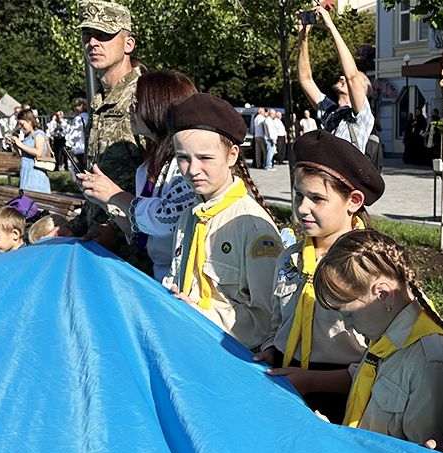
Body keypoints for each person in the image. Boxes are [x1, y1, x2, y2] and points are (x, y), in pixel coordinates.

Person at [256, 130, 383, 422]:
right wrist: (272, 351)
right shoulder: (290, 259)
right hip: (289, 385)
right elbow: (279, 323)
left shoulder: (372, 267)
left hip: (346, 397)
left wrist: (312, 381)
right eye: (298, 194)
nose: (302, 208)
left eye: (317, 198)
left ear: (353, 200)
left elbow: (384, 359)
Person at [313, 229, 443, 445]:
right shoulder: (383, 335)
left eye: (348, 313)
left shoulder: (430, 363)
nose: (347, 325)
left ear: (382, 294)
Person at [163, 93, 283, 349]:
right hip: (188, 344)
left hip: (230, 356)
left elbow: (266, 320)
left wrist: (198, 318)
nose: (193, 170)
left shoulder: (252, 227)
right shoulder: (190, 218)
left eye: (205, 158)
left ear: (232, 156)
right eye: (183, 158)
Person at [78, 69, 200, 282]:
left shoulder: (185, 164)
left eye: (137, 103)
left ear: (159, 108)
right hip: (160, 280)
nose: (129, 109)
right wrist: (105, 200)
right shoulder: (146, 167)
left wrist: (115, 195)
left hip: (189, 285)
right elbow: (140, 232)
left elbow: (168, 219)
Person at [78, 0, 144, 246]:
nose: (93, 43)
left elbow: (162, 189)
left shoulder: (145, 99)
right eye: (88, 35)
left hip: (139, 254)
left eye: (104, 35)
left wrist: (117, 231)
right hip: (100, 248)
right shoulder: (98, 103)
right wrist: (74, 225)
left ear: (129, 43)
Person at [296, 5, 374, 153]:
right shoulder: (332, 113)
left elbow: (352, 76)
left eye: (359, 80)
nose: (342, 77)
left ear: (363, 90)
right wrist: (303, 37)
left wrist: (331, 27)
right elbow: (305, 80)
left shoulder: (363, 117)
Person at [10, 110, 53, 193]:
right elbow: (23, 155)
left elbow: (38, 152)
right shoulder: (27, 137)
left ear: (30, 122)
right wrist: (15, 145)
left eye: (22, 124)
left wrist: (21, 145)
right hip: (26, 174)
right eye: (19, 124)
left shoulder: (38, 134)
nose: (21, 127)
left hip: (36, 176)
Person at [67, 98, 88, 170]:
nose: (75, 108)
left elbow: (72, 137)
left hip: (79, 150)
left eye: (78, 105)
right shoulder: (90, 117)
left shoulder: (78, 119)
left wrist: (68, 143)